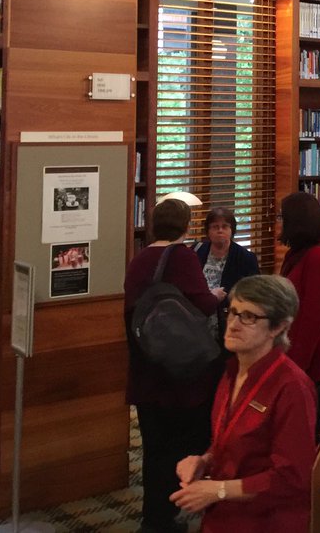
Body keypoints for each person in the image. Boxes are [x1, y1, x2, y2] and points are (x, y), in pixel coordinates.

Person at [171, 275, 317, 531]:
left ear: (278, 327)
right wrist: (204, 461)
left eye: (249, 317)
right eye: (233, 312)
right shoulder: (231, 371)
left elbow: (292, 477)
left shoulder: (292, 386)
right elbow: (232, 442)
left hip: (266, 521)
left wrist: (219, 490)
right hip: (223, 516)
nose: (234, 324)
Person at [124, 197, 220, 533]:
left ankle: (154, 518)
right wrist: (219, 296)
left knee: (153, 451)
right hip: (179, 375)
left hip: (145, 369)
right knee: (181, 448)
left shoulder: (138, 260)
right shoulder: (181, 257)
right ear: (186, 226)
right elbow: (203, 303)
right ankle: (174, 512)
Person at [278, 191, 320, 383]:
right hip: (297, 346)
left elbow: (313, 317)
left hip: (317, 354)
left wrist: (295, 364)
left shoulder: (319, 257)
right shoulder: (299, 252)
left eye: (282, 217)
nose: (280, 223)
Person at [195, 207, 261, 306]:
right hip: (198, 311)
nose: (220, 231)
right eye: (215, 227)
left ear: (232, 230)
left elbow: (254, 292)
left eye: (225, 227)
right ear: (208, 230)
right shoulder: (197, 250)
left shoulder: (246, 257)